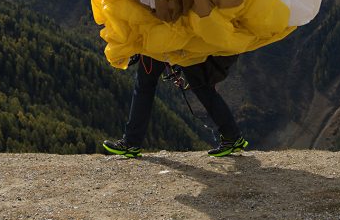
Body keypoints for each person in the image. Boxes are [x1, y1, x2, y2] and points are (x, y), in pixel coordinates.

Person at [102, 54, 248, 158]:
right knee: (203, 88)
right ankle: (232, 137)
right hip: (185, 40)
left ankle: (131, 142)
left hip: (158, 42)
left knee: (144, 86)